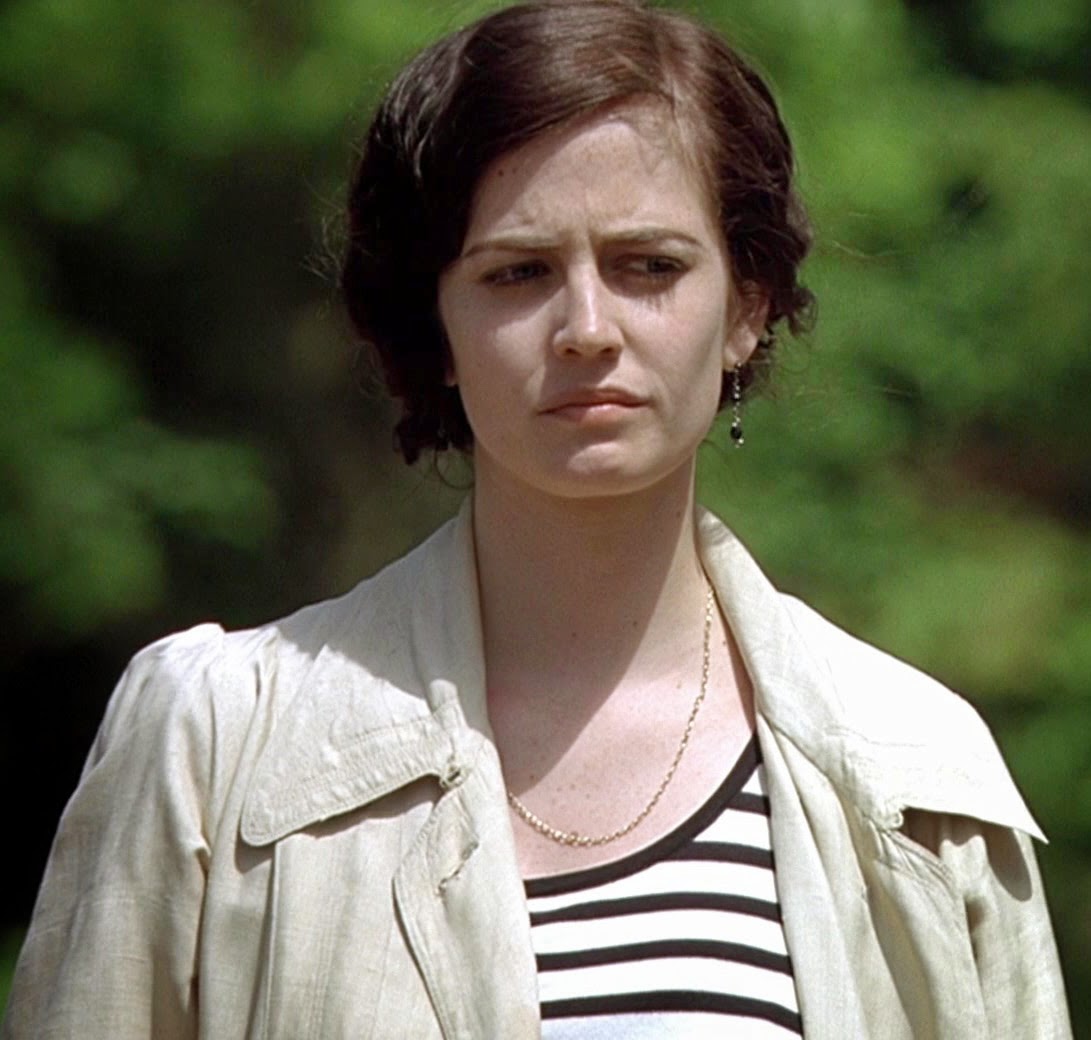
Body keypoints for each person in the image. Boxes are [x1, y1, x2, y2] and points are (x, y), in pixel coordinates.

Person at [3, 1, 1072, 1037]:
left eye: (649, 266)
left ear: (745, 307)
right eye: (518, 273)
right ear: (435, 323)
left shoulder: (918, 775)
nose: (586, 327)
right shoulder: (215, 744)